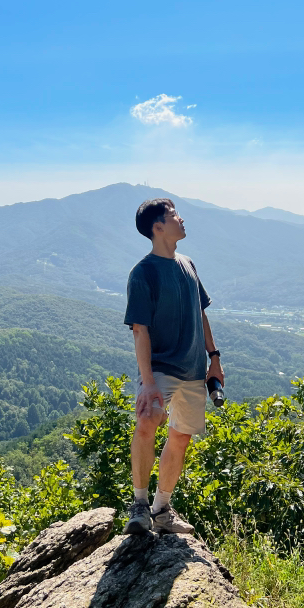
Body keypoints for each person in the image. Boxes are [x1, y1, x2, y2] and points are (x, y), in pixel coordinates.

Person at [122, 197, 224, 535]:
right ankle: (139, 506)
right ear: (158, 228)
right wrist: (148, 382)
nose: (181, 218)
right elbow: (140, 330)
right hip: (162, 367)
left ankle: (162, 510)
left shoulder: (188, 264)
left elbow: (202, 314)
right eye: (173, 214)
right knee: (148, 420)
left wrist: (214, 360)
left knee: (180, 438)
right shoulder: (143, 273)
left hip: (195, 369)